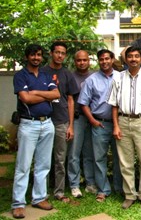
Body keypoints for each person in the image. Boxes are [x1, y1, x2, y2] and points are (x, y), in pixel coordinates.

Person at [11, 44, 60, 219]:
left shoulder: (47, 75)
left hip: (47, 124)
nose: (36, 58)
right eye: (33, 55)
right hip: (28, 125)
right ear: (27, 57)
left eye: (39, 55)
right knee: (23, 166)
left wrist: (37, 92)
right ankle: (18, 204)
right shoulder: (20, 76)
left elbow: (56, 94)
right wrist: (44, 94)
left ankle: (39, 198)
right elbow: (25, 98)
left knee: (43, 164)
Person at [107, 46, 141, 209]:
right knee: (125, 161)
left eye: (137, 56)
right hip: (123, 121)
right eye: (130, 56)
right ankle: (129, 195)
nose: (133, 59)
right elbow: (114, 105)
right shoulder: (118, 78)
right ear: (126, 59)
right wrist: (115, 126)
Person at [78, 49, 123, 202]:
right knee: (99, 159)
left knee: (120, 158)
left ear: (112, 60)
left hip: (119, 124)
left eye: (107, 59)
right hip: (100, 125)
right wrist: (92, 121)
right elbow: (84, 103)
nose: (104, 62)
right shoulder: (91, 80)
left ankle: (119, 188)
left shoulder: (121, 77)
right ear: (99, 61)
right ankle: (103, 189)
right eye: (101, 59)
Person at [42, 41, 79, 203]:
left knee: (60, 159)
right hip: (43, 120)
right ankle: (41, 192)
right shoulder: (42, 72)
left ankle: (58, 191)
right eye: (57, 52)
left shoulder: (67, 74)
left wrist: (70, 125)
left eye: (63, 53)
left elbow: (71, 100)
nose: (60, 56)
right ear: (51, 53)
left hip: (61, 121)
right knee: (43, 159)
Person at [67, 50, 97, 198]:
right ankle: (74, 184)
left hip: (92, 118)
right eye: (79, 60)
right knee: (74, 153)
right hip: (77, 118)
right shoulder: (70, 76)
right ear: (75, 61)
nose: (82, 62)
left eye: (85, 60)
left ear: (89, 61)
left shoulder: (94, 76)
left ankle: (90, 183)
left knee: (89, 153)